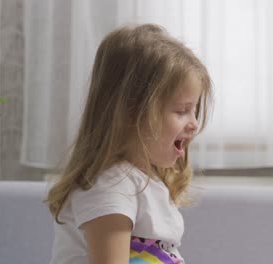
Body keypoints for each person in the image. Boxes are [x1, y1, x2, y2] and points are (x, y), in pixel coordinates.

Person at [46, 23, 212, 264]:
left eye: (193, 111)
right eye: (181, 111)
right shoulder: (111, 185)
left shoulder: (145, 182)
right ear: (131, 113)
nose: (194, 124)